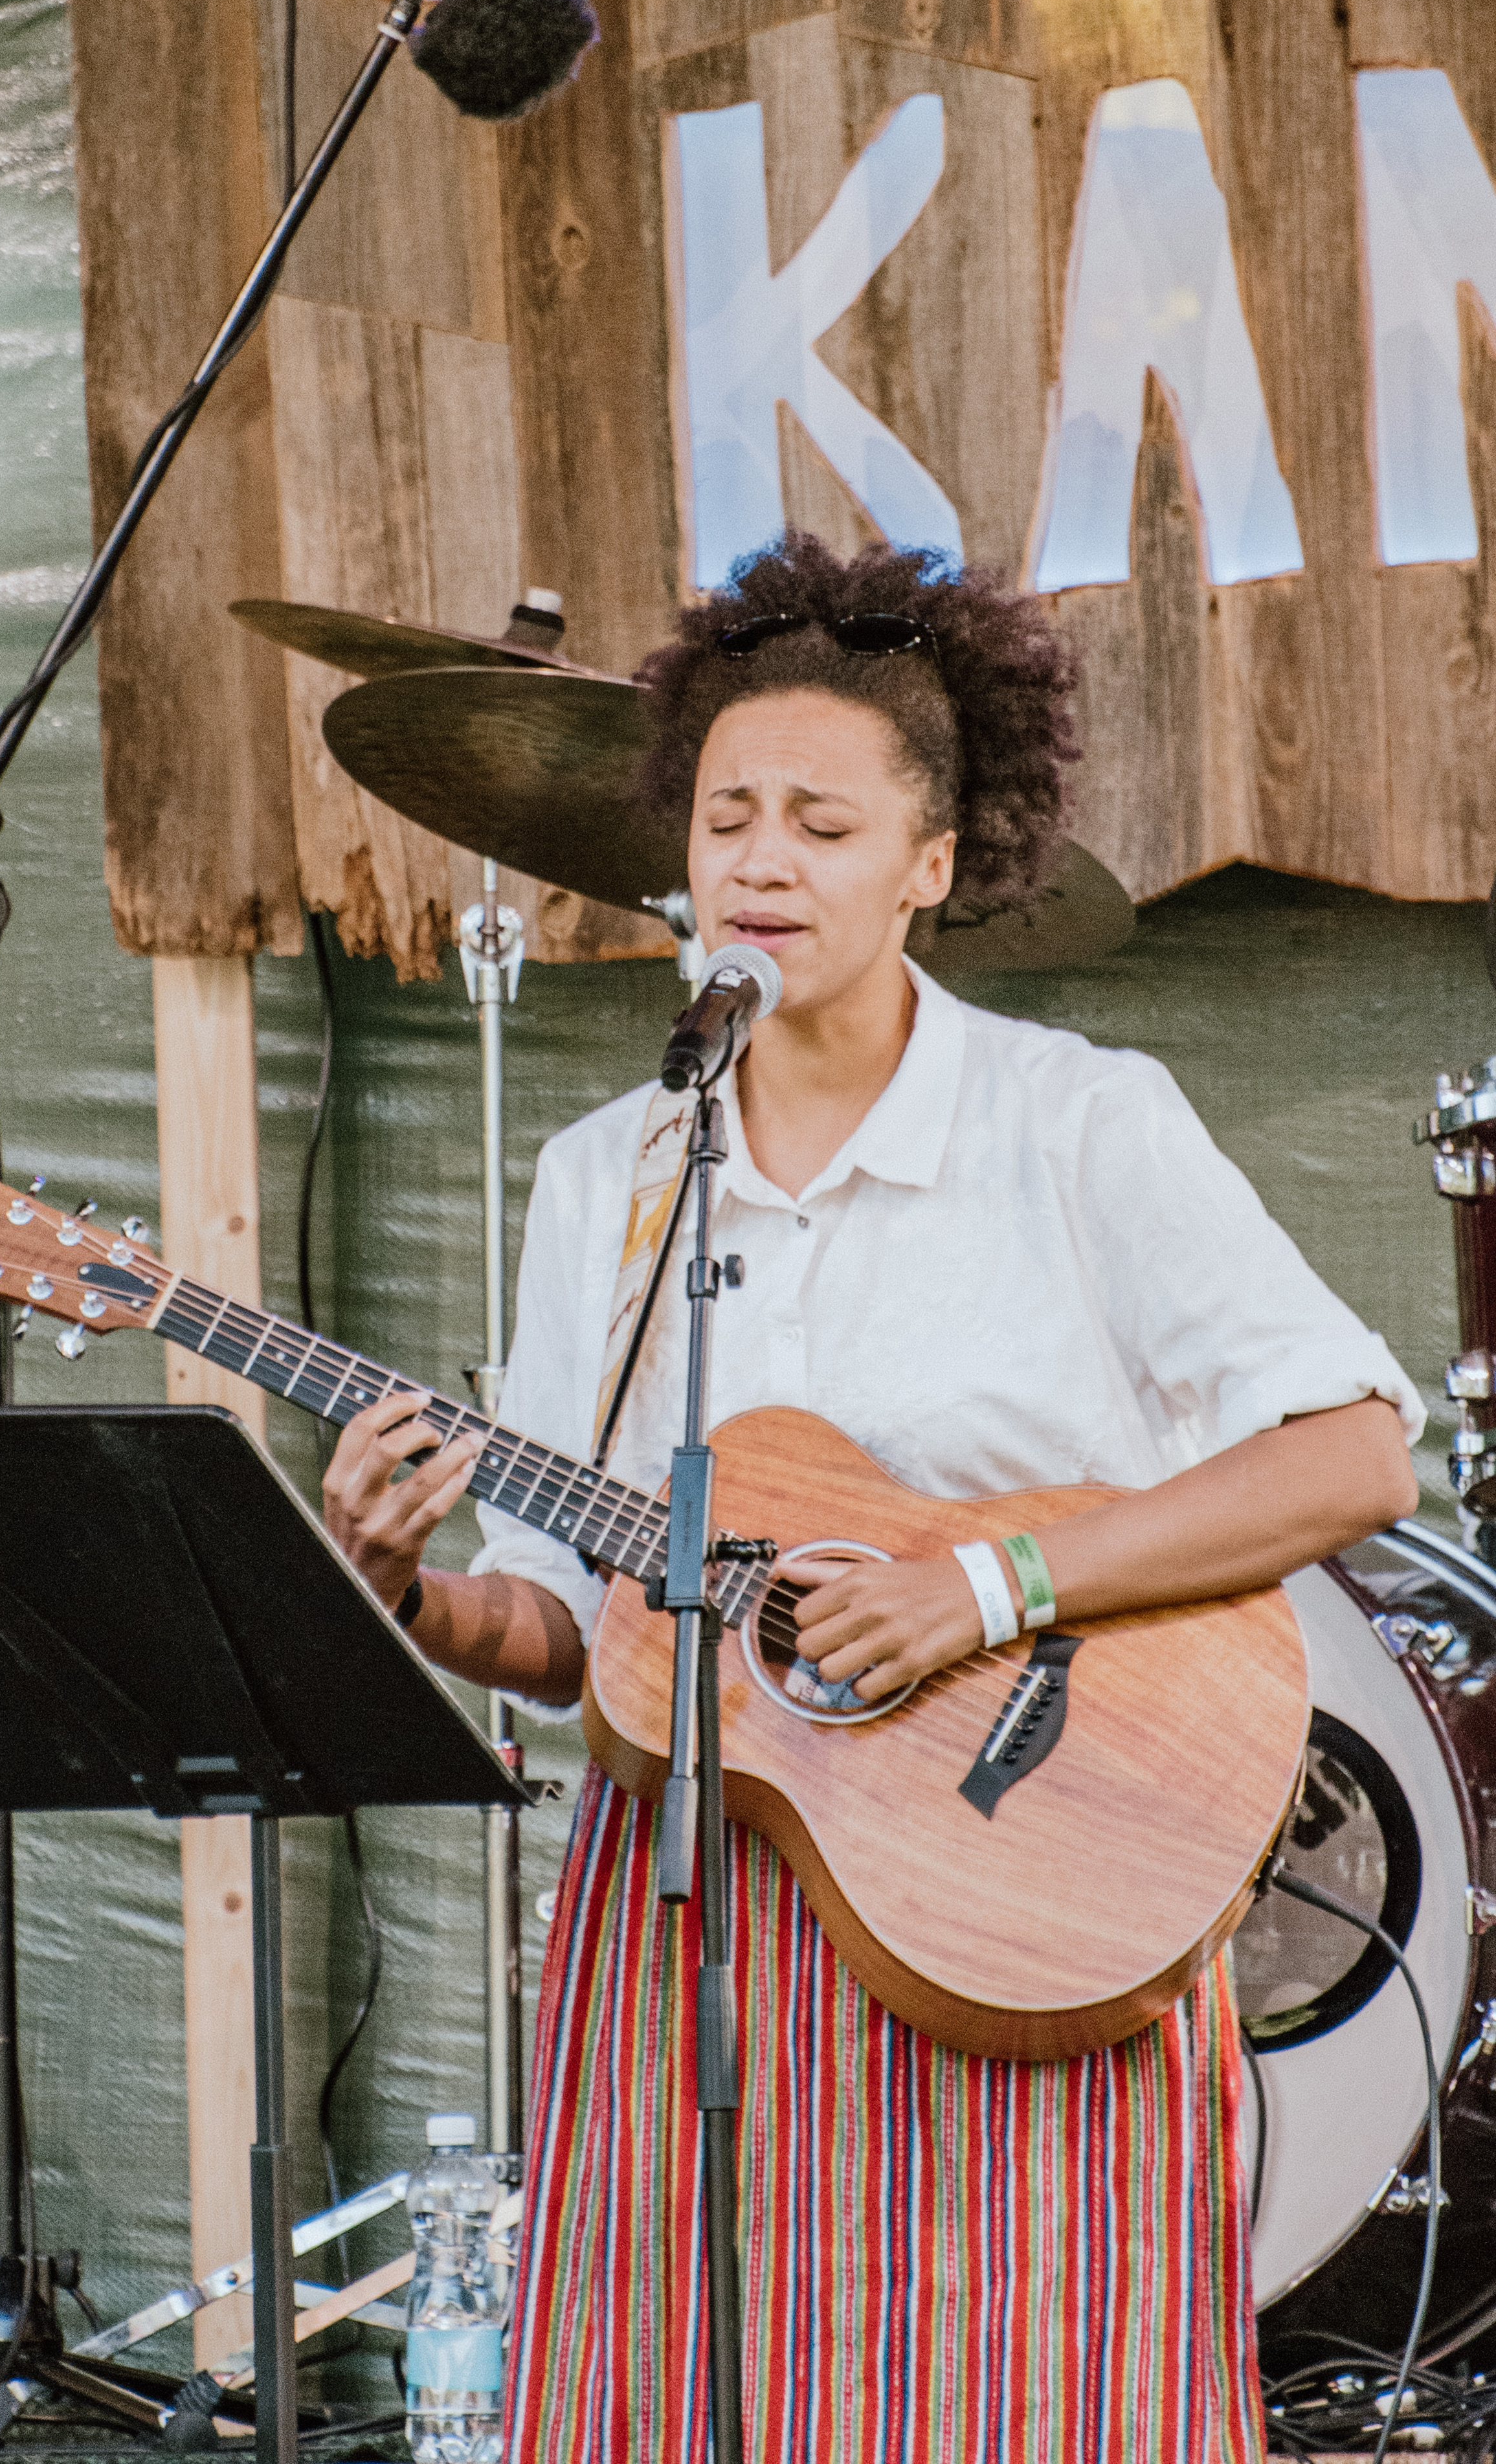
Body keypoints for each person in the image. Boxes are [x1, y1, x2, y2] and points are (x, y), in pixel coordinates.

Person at [323, 533, 1423, 2462]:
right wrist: (410, 1587)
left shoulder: (1080, 1122)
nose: (761, 857)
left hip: (1031, 1884)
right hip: (693, 1898)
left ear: (934, 860)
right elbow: (571, 1623)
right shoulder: (612, 1172)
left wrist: (989, 1585)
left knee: (1037, 2394)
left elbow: (1350, 1448)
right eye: (728, 813)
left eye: (823, 822)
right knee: (683, 2392)